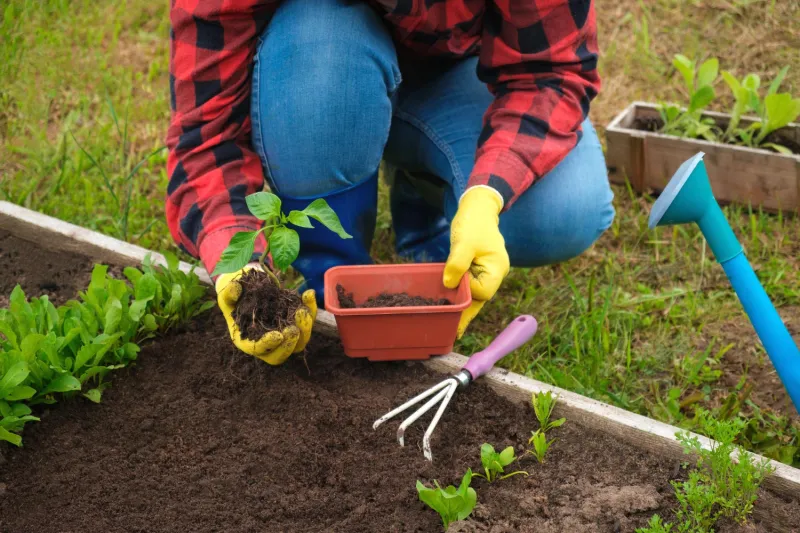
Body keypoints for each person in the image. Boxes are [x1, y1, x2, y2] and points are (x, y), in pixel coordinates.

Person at [166, 0, 615, 364]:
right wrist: (238, 265)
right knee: (321, 64)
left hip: (457, 77)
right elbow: (205, 138)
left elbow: (550, 72)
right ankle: (331, 286)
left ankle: (422, 187)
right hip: (322, 69)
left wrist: (486, 195)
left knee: (560, 209)